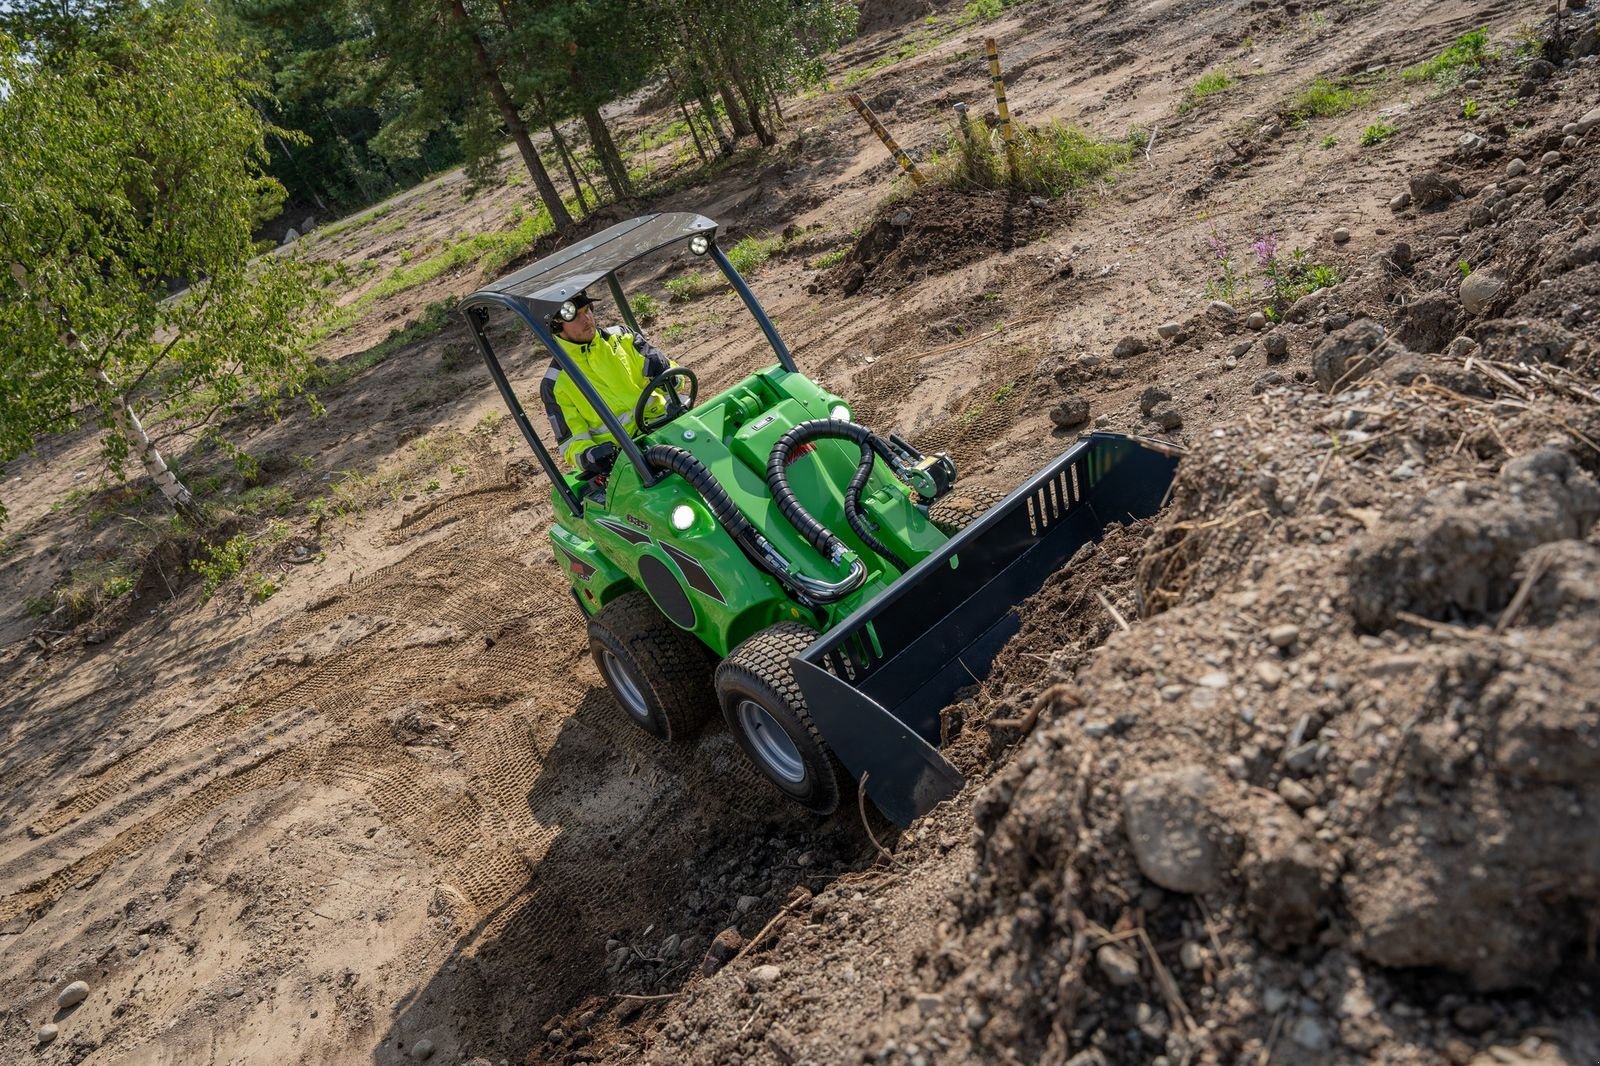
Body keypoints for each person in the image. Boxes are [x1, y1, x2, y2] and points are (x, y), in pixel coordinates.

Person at [538, 291, 675, 475]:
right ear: (556, 326)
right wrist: (590, 456)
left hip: (663, 426)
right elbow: (572, 444)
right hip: (623, 459)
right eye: (576, 317)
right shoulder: (555, 383)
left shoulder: (623, 337)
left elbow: (676, 378)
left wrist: (668, 373)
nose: (586, 318)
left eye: (587, 310)